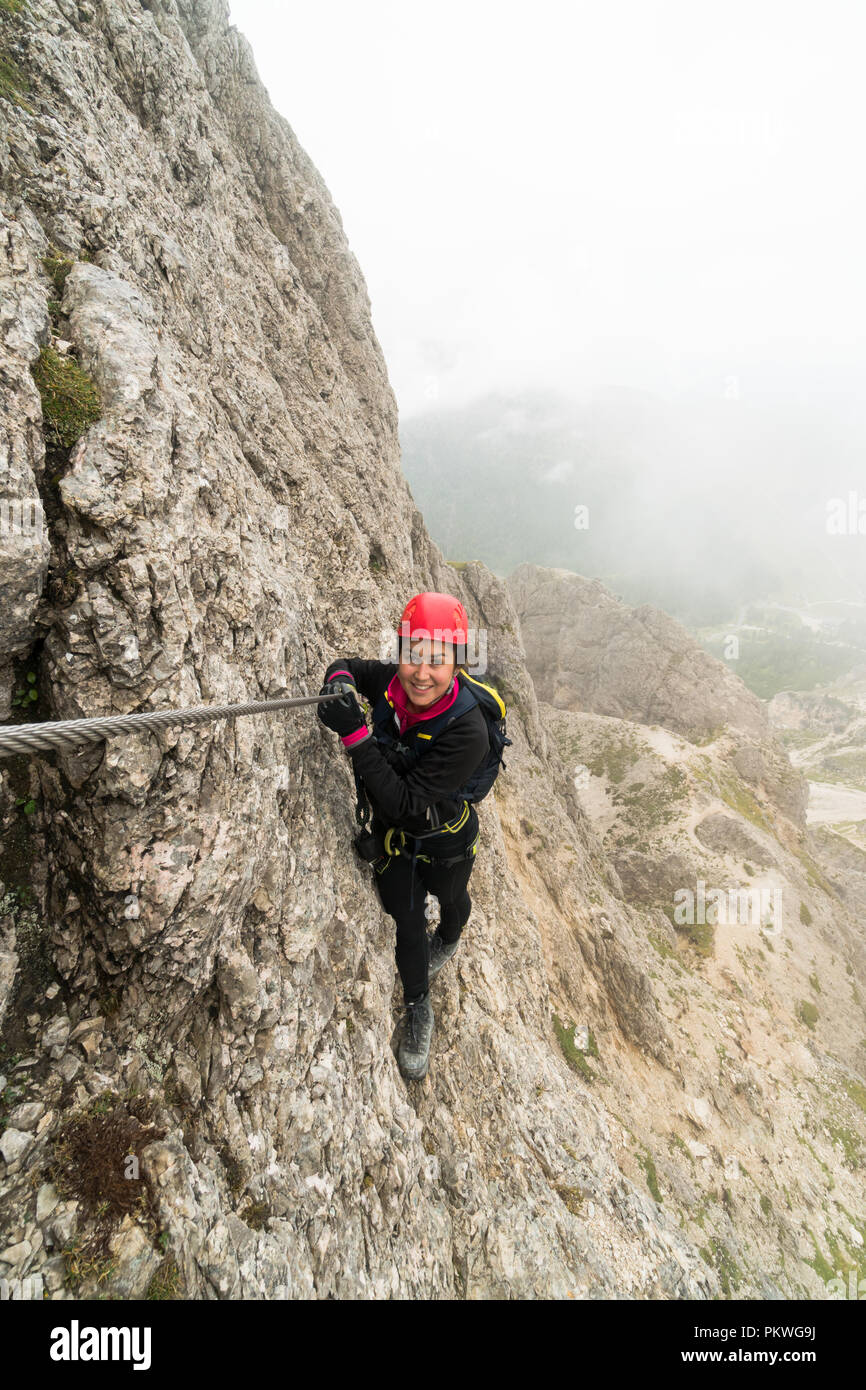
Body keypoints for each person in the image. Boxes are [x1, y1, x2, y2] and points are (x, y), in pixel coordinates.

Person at [317, 592, 490, 1082]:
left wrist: (355, 735)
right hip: (395, 842)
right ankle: (418, 1005)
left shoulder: (467, 730)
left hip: (446, 837)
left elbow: (407, 803)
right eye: (413, 652)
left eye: (437, 659)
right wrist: (341, 686)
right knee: (407, 923)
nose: (421, 671)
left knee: (451, 896)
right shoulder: (391, 683)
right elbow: (346, 666)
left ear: (457, 663)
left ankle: (452, 933)